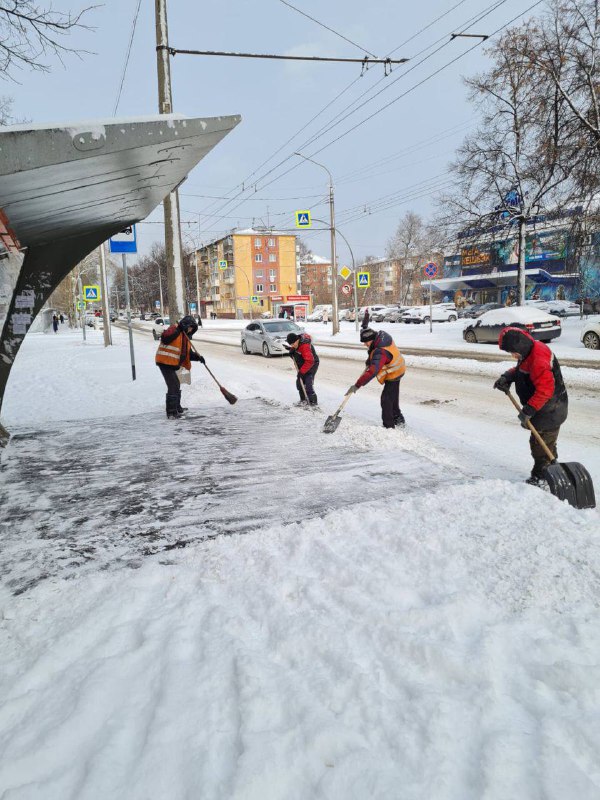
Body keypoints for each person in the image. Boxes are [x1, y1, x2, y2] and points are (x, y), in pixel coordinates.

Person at [494, 327, 568, 486]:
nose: (513, 356)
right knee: (544, 443)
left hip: (550, 410)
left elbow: (545, 390)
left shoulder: (538, 359)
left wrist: (529, 410)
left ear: (520, 346)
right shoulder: (529, 351)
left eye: (513, 352)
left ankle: (541, 478)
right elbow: (522, 369)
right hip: (545, 408)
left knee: (539, 445)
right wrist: (507, 377)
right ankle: (549, 470)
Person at [350, 328, 406, 428]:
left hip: (394, 372)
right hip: (398, 368)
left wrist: (357, 385)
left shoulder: (380, 351)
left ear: (371, 339)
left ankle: (389, 426)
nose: (365, 344)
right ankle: (398, 418)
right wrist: (369, 361)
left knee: (386, 399)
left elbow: (372, 371)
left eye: (366, 342)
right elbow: (373, 352)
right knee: (392, 396)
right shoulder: (381, 339)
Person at [155, 315, 205, 419]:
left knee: (176, 384)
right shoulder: (175, 329)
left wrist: (199, 358)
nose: (190, 330)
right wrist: (178, 330)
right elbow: (165, 338)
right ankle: (171, 413)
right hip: (165, 361)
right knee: (173, 386)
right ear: (185, 324)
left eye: (192, 328)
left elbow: (188, 354)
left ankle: (177, 407)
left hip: (172, 363)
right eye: (190, 327)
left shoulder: (185, 337)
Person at [285, 332, 319, 406]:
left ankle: (313, 403)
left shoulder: (305, 346)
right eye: (290, 345)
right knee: (300, 383)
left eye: (293, 344)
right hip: (303, 363)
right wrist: (292, 351)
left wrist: (302, 372)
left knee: (308, 383)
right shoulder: (297, 343)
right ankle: (303, 401)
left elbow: (310, 361)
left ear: (297, 340)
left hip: (311, 364)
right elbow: (297, 351)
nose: (292, 346)